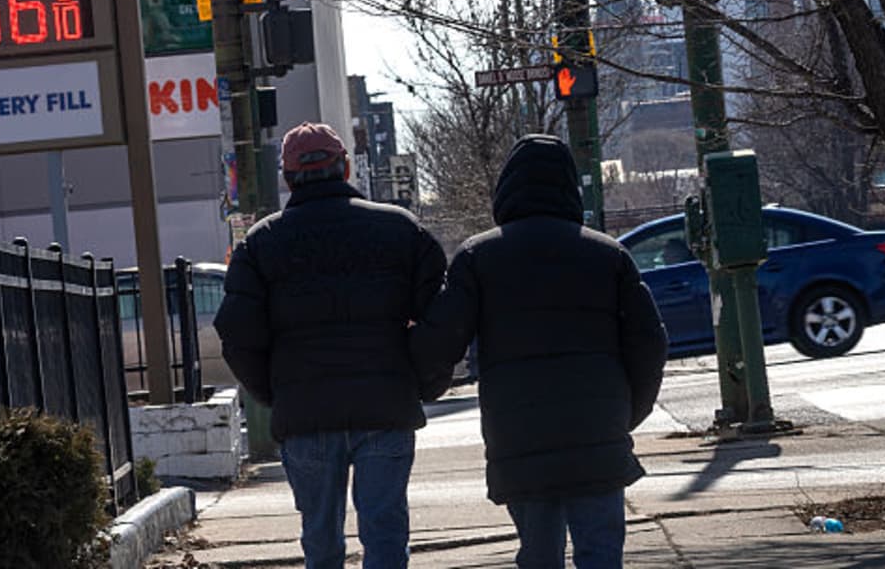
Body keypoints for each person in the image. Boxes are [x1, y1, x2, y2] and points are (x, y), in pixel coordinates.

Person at [412, 134, 668, 569]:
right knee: (602, 553)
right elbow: (649, 343)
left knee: (539, 554)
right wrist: (627, 412)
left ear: (507, 188)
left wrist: (415, 375)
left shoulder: (479, 256)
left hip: (519, 432)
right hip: (596, 428)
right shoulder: (609, 255)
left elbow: (442, 340)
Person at [213, 121, 448, 569]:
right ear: (345, 168)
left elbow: (237, 333)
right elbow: (442, 318)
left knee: (320, 542)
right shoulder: (400, 229)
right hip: (385, 405)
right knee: (385, 535)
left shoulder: (261, 243)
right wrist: (423, 381)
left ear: (288, 179)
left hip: (305, 412)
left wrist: (273, 393)